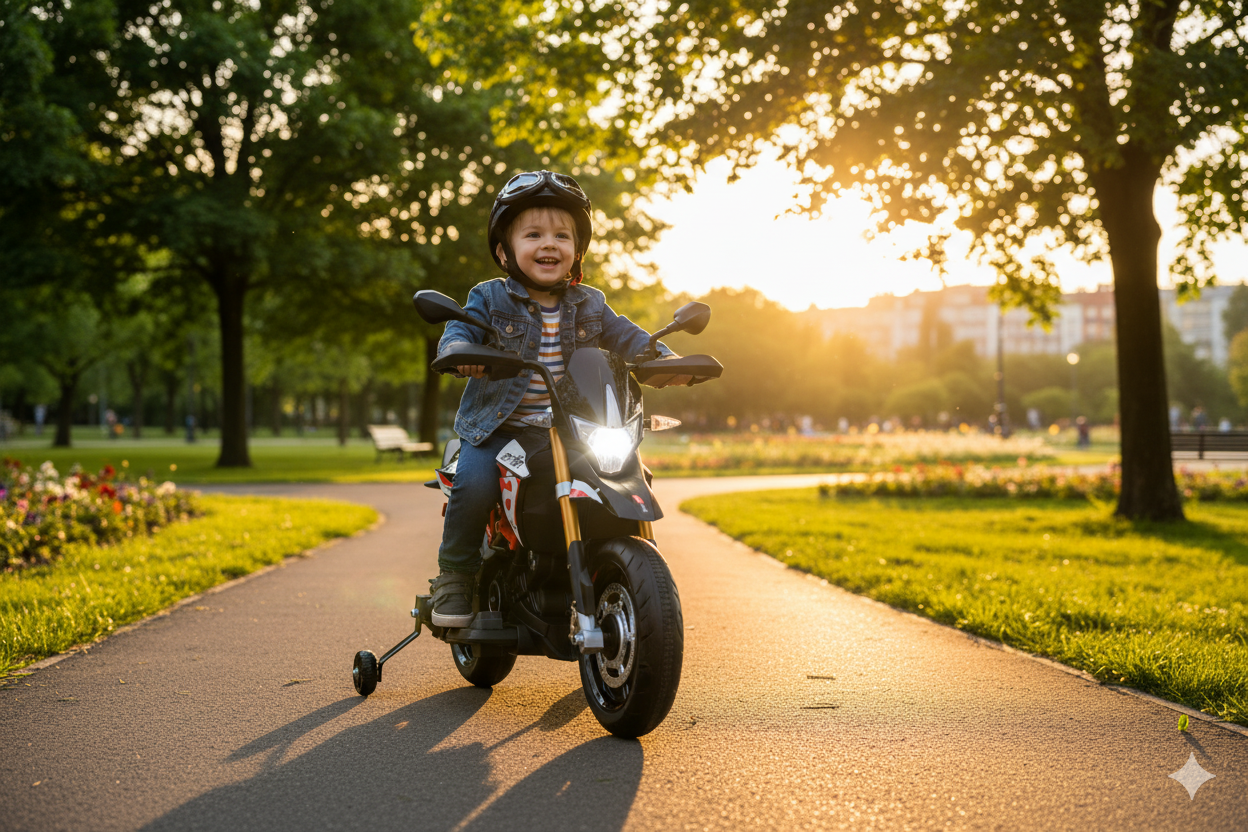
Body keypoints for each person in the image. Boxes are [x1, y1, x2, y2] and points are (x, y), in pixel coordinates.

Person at [427, 170, 689, 627]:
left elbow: (627, 336)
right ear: (504, 250)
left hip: (575, 431)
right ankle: (456, 574)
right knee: (475, 484)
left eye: (561, 235)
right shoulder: (488, 298)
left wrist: (661, 359)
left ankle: (624, 574)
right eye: (533, 234)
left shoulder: (591, 302)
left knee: (633, 473)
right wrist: (458, 351)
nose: (549, 244)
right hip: (499, 429)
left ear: (577, 251)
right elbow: (461, 328)